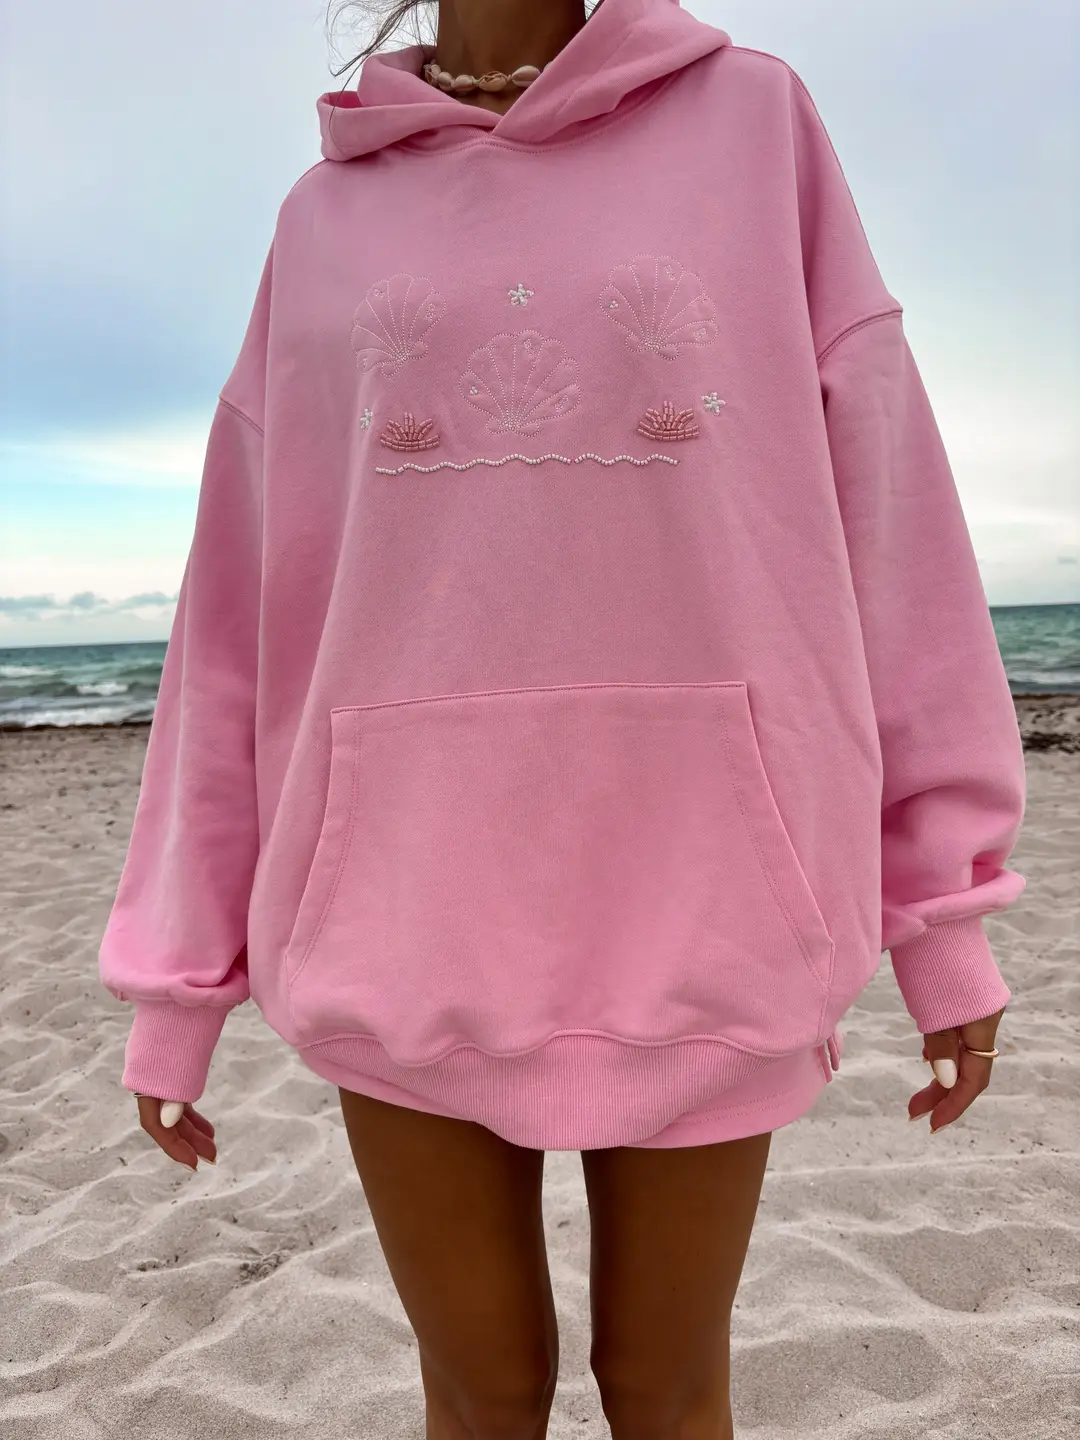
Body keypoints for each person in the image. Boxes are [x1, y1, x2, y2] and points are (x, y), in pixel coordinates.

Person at [98, 1, 1027, 1435]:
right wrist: (178, 983)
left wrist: (943, 913)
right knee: (481, 1394)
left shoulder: (755, 126)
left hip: (710, 901)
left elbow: (888, 509)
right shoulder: (322, 217)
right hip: (398, 912)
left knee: (665, 1387)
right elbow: (238, 611)